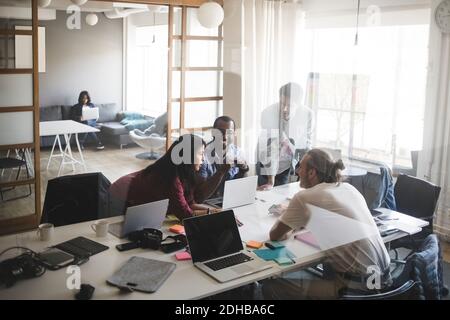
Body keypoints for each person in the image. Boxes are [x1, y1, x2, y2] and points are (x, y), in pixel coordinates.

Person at [261, 149, 391, 299]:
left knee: (272, 287)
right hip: (384, 280)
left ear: (312, 173)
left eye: (301, 167)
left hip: (357, 291)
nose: (297, 171)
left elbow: (276, 235)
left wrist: (290, 219)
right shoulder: (349, 188)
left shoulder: (305, 197)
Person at [109, 134, 230, 221]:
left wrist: (220, 212)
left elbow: (190, 203)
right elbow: (185, 215)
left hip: (131, 193)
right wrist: (214, 212)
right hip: (119, 196)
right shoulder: (170, 178)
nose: (203, 159)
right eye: (201, 154)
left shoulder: (185, 172)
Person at [257, 82, 313, 190]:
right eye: (282, 104)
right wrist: (270, 181)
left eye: (289, 105)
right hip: (268, 158)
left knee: (286, 194)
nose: (284, 109)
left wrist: (305, 172)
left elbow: (306, 144)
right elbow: (270, 148)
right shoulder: (268, 113)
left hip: (291, 158)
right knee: (267, 193)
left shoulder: (308, 115)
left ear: (299, 103)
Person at [199, 116, 249, 197]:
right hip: (208, 202)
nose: (225, 136)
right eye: (220, 132)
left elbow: (243, 187)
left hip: (232, 199)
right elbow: (200, 195)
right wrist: (222, 170)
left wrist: (244, 169)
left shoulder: (238, 152)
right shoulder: (202, 155)